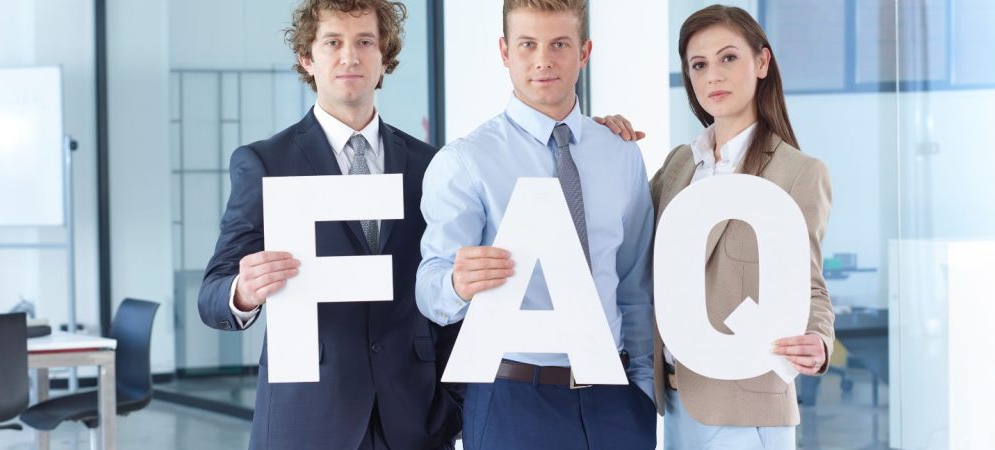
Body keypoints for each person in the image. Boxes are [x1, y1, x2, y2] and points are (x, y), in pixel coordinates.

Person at [196, 1, 463, 448]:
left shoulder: (429, 164)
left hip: (416, 416)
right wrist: (243, 291)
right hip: (310, 414)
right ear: (307, 58)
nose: (350, 57)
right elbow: (212, 294)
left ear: (384, 58)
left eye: (365, 42)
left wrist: (455, 402)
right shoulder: (266, 163)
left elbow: (447, 288)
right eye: (333, 42)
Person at [415, 1, 657, 449]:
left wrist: (642, 388)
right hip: (514, 399)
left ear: (584, 52)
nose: (543, 60)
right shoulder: (466, 161)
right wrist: (456, 283)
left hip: (616, 402)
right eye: (528, 44)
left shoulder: (621, 153)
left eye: (559, 44)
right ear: (505, 52)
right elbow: (430, 290)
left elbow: (635, 281)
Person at [648, 5, 835, 449]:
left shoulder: (798, 172)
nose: (713, 75)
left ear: (762, 63)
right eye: (699, 64)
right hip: (675, 401)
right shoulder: (679, 165)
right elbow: (635, 245)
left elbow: (809, 284)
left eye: (728, 58)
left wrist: (821, 341)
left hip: (748, 408)